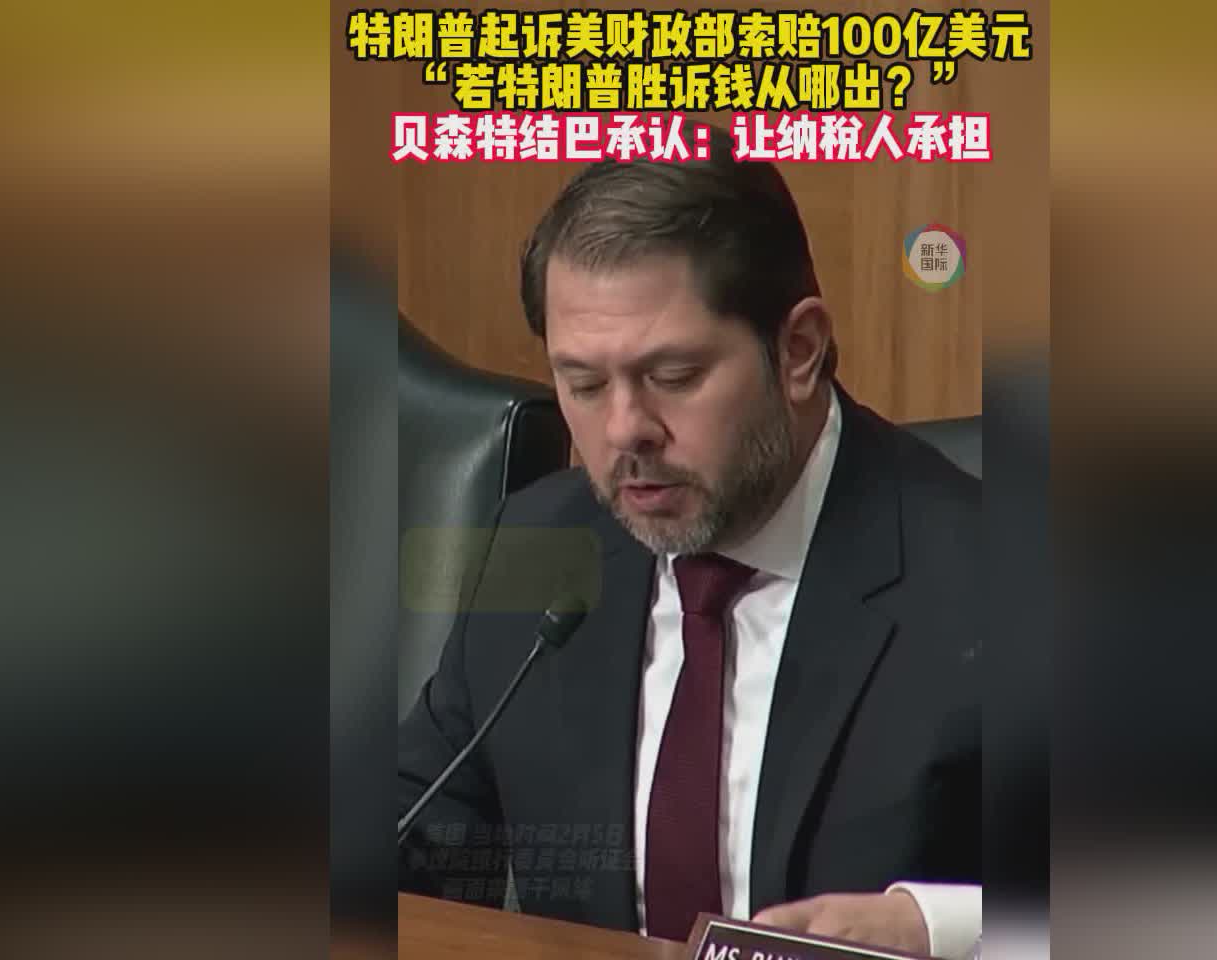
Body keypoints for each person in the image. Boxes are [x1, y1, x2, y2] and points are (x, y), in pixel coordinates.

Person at [399, 127, 981, 959]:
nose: (624, 429)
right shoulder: (537, 545)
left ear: (799, 351)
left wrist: (939, 927)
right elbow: (420, 831)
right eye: (583, 383)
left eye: (673, 378)